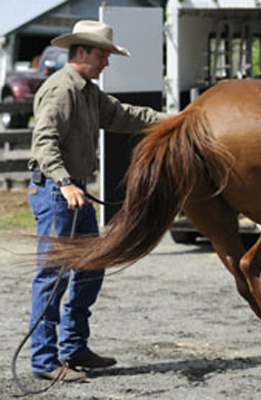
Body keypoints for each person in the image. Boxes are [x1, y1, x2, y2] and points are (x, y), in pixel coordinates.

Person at [27, 20, 168, 382]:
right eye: (103, 55)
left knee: (91, 268)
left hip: (72, 194)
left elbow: (125, 115)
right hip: (58, 193)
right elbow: (44, 144)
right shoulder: (62, 90)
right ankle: (45, 361)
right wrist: (65, 183)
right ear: (83, 52)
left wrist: (175, 121)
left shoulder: (88, 92)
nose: (107, 63)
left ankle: (73, 348)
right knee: (53, 275)